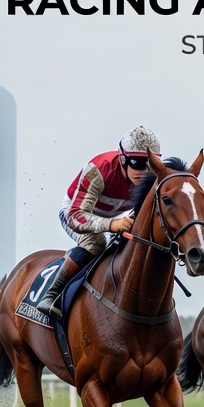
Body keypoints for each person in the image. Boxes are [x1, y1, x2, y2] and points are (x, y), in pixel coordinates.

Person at [36, 127, 158, 319]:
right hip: (76, 212)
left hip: (115, 217)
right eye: (137, 163)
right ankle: (51, 294)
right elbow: (77, 215)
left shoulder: (152, 179)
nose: (144, 172)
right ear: (123, 159)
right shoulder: (99, 170)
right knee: (96, 242)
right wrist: (112, 224)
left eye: (150, 165)